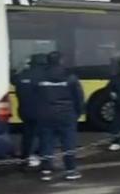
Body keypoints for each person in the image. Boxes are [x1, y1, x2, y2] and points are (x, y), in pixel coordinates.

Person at [35, 51, 85, 182]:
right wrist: (78, 113)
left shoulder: (40, 77)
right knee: (68, 142)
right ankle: (71, 170)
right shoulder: (70, 77)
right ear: (61, 61)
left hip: (45, 114)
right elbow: (79, 97)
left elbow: (34, 96)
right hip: (66, 114)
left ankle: (46, 171)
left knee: (46, 142)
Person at [13, 54, 47, 167]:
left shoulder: (21, 76)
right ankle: (42, 158)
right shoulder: (44, 76)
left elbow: (14, 80)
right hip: (41, 111)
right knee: (44, 135)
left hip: (24, 110)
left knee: (27, 134)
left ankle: (25, 157)